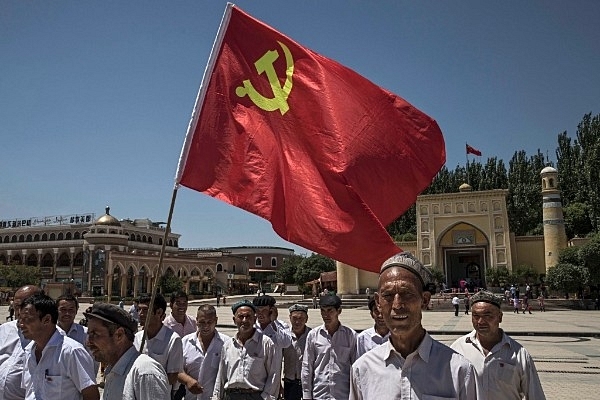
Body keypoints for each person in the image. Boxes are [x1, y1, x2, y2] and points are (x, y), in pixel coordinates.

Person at [349, 252, 476, 399]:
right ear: (378, 303)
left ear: (425, 300)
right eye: (388, 296)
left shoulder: (458, 370)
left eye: (407, 294)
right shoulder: (363, 370)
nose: (397, 305)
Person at [451, 290, 546, 399]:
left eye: (487, 316)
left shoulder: (519, 354)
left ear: (500, 317)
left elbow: (535, 395)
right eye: (476, 316)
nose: (481, 321)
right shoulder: (458, 349)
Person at [19, 293, 99, 400]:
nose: (21, 324)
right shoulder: (29, 352)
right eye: (20, 319)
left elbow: (91, 396)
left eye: (27, 319)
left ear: (46, 320)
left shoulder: (71, 352)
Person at [85, 302, 170, 399]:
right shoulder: (112, 371)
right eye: (89, 334)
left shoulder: (145, 373)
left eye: (95, 334)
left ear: (119, 335)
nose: (88, 342)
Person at [212, 300, 280, 400]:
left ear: (255, 319)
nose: (244, 320)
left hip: (255, 396)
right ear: (234, 320)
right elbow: (221, 376)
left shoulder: (266, 343)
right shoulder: (228, 345)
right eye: (240, 317)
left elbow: (274, 375)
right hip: (231, 395)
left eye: (248, 316)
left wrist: (267, 398)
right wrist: (216, 397)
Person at [302, 294, 357, 400]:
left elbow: (356, 367)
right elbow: (307, 366)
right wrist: (306, 395)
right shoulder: (313, 335)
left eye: (330, 310)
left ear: (339, 311)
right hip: (320, 394)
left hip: (343, 395)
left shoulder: (350, 335)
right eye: (323, 310)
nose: (326, 315)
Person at [0, 285, 42, 400]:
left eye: (24, 306)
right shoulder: (4, 330)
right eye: (16, 306)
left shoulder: (51, 336)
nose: (20, 312)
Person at [134, 293, 184, 390]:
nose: (140, 314)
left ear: (159, 312)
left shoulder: (173, 340)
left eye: (145, 310)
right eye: (139, 309)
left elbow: (173, 376)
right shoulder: (137, 338)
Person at [179, 305, 229, 400]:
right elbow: (177, 369)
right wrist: (187, 381)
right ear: (196, 320)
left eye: (209, 322)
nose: (206, 326)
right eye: (202, 322)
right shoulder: (185, 342)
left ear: (216, 321)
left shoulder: (226, 343)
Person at [282, 304, 311, 400]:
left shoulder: (312, 336)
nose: (297, 322)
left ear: (306, 319)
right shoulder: (284, 336)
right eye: (294, 318)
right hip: (290, 383)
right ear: (290, 318)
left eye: (301, 318)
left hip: (309, 383)